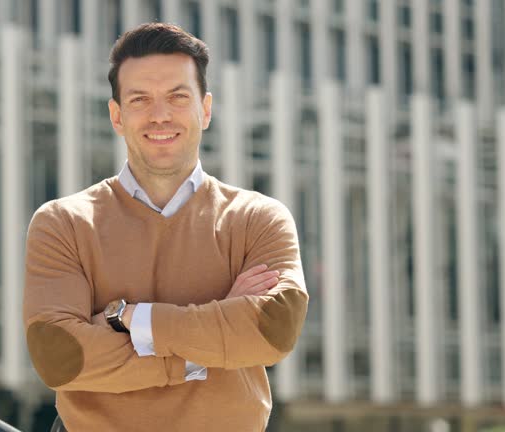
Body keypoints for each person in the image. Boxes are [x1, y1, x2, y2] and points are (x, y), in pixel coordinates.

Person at [23, 22, 309, 432]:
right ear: (117, 115)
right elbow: (61, 356)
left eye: (178, 96)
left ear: (205, 110)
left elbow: (274, 327)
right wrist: (209, 345)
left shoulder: (258, 218)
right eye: (140, 99)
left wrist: (130, 319)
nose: (160, 115)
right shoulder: (63, 223)